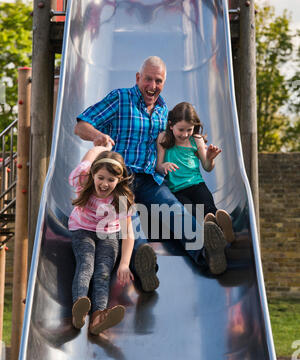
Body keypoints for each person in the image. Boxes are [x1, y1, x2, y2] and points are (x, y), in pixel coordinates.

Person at [74, 56, 228, 277]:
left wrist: (203, 151)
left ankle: (208, 255)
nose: (152, 86)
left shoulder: (164, 111)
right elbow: (81, 126)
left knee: (173, 209)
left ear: (164, 82)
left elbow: (179, 138)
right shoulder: (120, 98)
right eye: (148, 79)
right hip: (119, 178)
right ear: (138, 78)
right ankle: (145, 267)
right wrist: (98, 136)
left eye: (158, 81)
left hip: (149, 179)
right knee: (130, 221)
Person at [156, 102, 235, 275]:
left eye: (189, 130)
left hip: (197, 184)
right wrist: (165, 166)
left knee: (209, 210)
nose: (185, 134)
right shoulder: (163, 138)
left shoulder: (196, 140)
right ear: (171, 125)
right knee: (191, 213)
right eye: (181, 130)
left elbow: (207, 166)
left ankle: (223, 232)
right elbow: (158, 166)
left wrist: (211, 157)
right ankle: (218, 236)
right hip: (177, 190)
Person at [68, 145, 135, 335]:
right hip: (82, 229)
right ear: (93, 175)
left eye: (111, 180)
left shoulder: (121, 198)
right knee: (86, 263)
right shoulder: (83, 179)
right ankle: (78, 311)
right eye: (101, 178)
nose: (105, 184)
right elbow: (89, 158)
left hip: (108, 233)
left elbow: (128, 233)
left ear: (119, 180)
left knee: (103, 272)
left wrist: (124, 264)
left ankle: (98, 317)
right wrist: (100, 147)